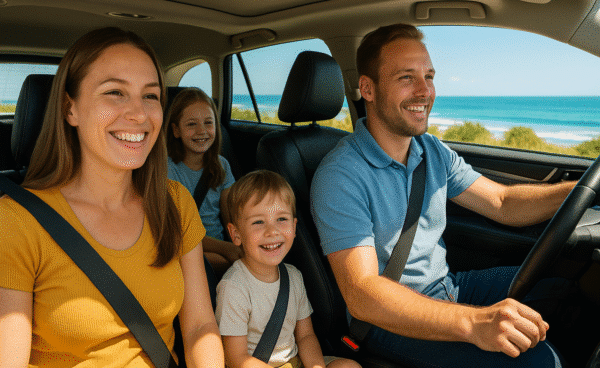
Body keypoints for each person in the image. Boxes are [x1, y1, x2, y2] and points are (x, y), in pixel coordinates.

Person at [310, 23, 577, 368]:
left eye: (429, 76)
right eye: (407, 77)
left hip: (448, 287)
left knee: (566, 289)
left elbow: (503, 203)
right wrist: (474, 323)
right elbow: (363, 294)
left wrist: (577, 190)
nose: (425, 91)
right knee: (537, 361)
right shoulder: (341, 175)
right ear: (368, 88)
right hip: (386, 320)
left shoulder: (430, 149)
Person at [0, 27, 224, 367]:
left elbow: (199, 327)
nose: (138, 114)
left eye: (150, 96)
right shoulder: (16, 221)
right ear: (70, 109)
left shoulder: (174, 203)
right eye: (115, 92)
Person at [216, 170, 361, 368]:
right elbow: (236, 358)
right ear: (236, 234)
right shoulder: (234, 286)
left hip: (295, 362)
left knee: (349, 366)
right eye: (258, 222)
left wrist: (316, 366)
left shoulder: (293, 276)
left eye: (281, 219)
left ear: (294, 227)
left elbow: (305, 336)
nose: (272, 231)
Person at [166, 87, 241, 276]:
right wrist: (228, 250)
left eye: (208, 122)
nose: (201, 131)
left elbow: (230, 218)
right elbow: (179, 233)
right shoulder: (167, 169)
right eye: (191, 124)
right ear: (176, 130)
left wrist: (239, 244)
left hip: (219, 249)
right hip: (183, 249)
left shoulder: (221, 165)